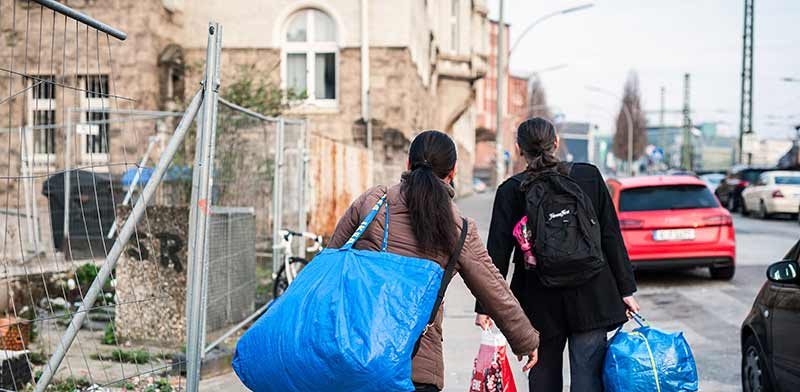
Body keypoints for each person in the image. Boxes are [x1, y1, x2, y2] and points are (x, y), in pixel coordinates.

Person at [327, 130, 540, 392]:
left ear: (408, 164)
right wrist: (526, 340)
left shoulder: (373, 202)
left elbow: (330, 261)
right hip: (416, 364)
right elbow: (493, 287)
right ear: (452, 172)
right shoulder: (458, 227)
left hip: (355, 351)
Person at [474, 118, 640, 392]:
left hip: (538, 300)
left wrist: (485, 306)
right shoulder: (588, 177)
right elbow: (610, 235)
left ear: (518, 149)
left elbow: (496, 256)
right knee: (588, 378)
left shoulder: (510, 190)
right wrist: (626, 289)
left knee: (543, 378)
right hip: (591, 294)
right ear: (556, 143)